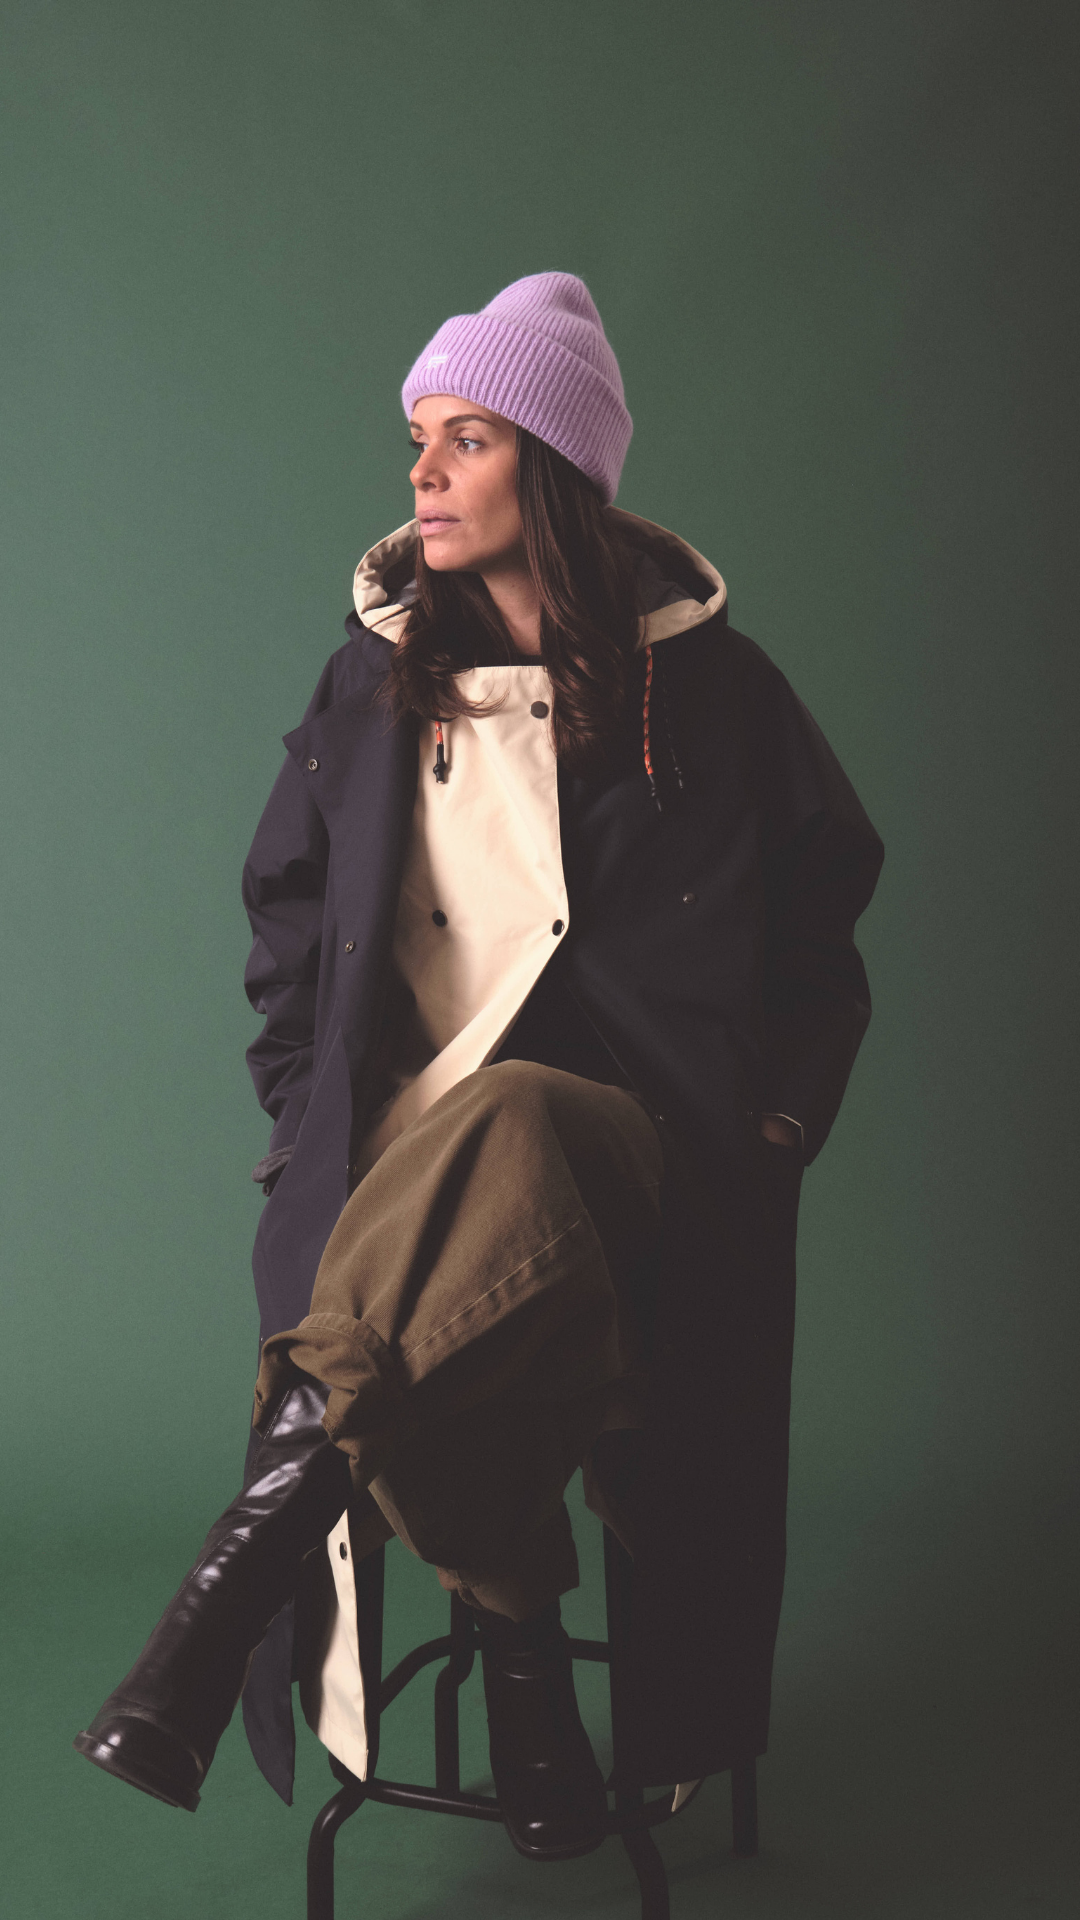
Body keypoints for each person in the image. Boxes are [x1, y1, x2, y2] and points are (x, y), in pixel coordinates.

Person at [74, 273, 883, 1863]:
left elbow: (820, 929)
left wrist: (781, 1120)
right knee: (449, 1263)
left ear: (555, 466)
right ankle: (525, 1671)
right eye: (418, 441)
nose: (424, 473)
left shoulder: (719, 694)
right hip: (422, 1184)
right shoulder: (371, 692)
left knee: (510, 1108)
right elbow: (287, 920)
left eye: (468, 438)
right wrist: (307, 1115)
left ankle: (224, 1591)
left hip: (650, 1157)